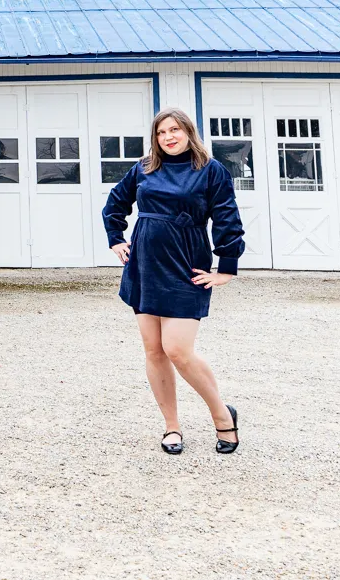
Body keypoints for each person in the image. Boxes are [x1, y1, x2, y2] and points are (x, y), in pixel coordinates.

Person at [101, 107, 245, 455]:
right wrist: (116, 238)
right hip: (145, 266)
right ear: (156, 137)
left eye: (175, 130)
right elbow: (115, 203)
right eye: (162, 131)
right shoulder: (145, 168)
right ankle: (172, 427)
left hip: (185, 264)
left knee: (178, 350)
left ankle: (222, 414)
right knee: (154, 350)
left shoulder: (211, 171)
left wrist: (226, 265)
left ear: (188, 133)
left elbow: (227, 216)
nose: (169, 136)